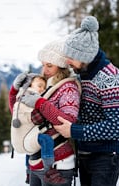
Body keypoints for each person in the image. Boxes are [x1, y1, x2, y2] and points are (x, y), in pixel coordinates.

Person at [53, 16, 119, 186]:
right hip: (86, 152)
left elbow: (116, 127)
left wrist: (74, 131)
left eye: (71, 56)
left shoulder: (111, 78)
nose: (67, 61)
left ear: (84, 56)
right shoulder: (82, 76)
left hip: (107, 155)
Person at [9, 39, 81, 186]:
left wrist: (40, 103)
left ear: (61, 66)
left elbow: (68, 122)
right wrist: (14, 92)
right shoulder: (46, 87)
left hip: (58, 164)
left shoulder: (68, 88)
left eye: (50, 65)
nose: (44, 70)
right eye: (43, 65)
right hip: (38, 161)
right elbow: (22, 118)